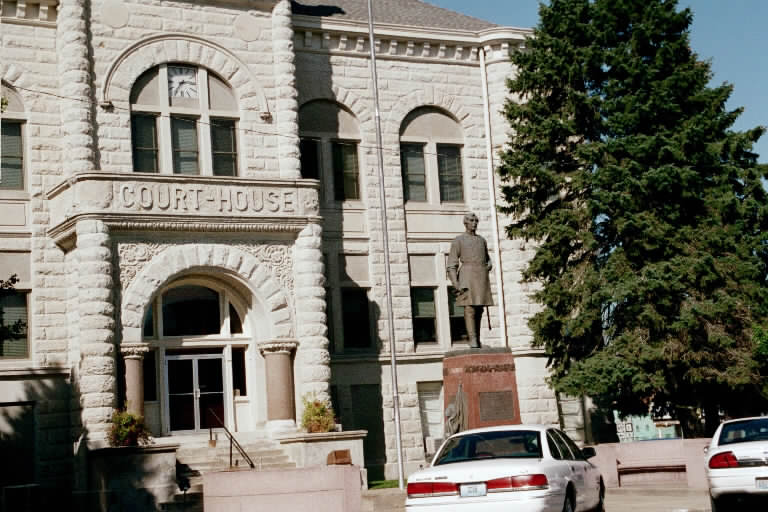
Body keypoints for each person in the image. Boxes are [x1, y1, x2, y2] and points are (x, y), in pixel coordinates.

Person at [447, 212, 493, 348]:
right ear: (465, 223)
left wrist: (489, 264)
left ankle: (477, 339)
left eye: (476, 221)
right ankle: (472, 339)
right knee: (470, 308)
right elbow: (451, 265)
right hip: (467, 275)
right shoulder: (458, 240)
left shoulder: (482, 240)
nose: (474, 223)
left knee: (479, 309)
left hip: (481, 276)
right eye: (471, 220)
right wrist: (456, 284)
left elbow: (487, 258)